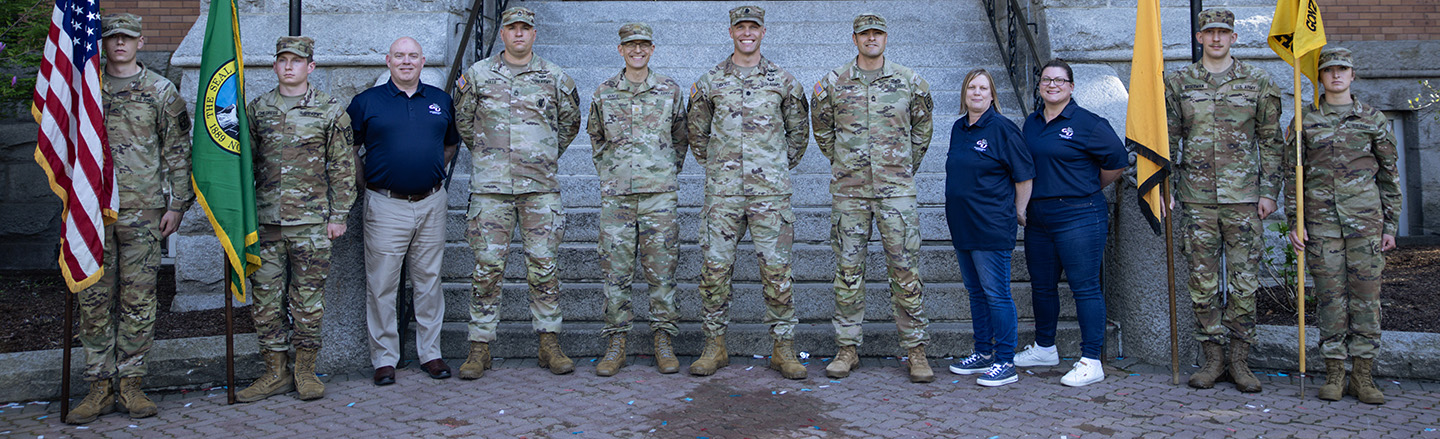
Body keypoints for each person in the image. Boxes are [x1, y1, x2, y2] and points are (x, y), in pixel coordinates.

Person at [66, 13, 193, 425]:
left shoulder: (161, 89)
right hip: (92, 212)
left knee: (139, 301)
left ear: (140, 42)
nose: (120, 43)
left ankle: (131, 383)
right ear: (103, 43)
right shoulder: (85, 89)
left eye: (128, 37)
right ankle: (99, 386)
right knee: (94, 300)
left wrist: (177, 205)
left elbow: (177, 150)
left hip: (144, 211)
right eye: (113, 37)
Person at [454, 6, 582, 377]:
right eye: (513, 28)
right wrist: (489, 156)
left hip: (539, 190)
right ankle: (479, 348)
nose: (519, 34)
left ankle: (549, 344)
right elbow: (464, 123)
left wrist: (541, 156)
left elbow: (569, 124)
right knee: (487, 268)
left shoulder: (555, 77)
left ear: (534, 34)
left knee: (544, 267)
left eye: (525, 28)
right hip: (491, 190)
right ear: (503, 33)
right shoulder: (478, 75)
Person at [1163, 8, 1283, 393]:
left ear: (1233, 37)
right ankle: (1213, 359)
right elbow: (1168, 140)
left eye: (1223, 32)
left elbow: (1271, 142)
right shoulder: (1179, 82)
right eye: (1209, 32)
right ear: (1199, 37)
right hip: (1196, 199)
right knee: (1202, 282)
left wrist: (1269, 192)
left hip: (1244, 199)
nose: (1216, 38)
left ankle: (1240, 361)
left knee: (1245, 283)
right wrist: (1165, 188)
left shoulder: (1258, 81)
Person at [687, 5, 810, 379]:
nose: (746, 33)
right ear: (731, 32)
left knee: (777, 272)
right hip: (723, 195)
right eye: (740, 27)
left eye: (752, 27)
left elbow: (798, 133)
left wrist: (774, 167)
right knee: (714, 271)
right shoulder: (710, 82)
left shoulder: (783, 81)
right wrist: (719, 168)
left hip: (769, 195)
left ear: (763, 32)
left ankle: (783, 348)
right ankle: (715, 346)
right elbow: (697, 134)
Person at [811, 13, 936, 383]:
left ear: (885, 37)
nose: (871, 39)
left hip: (896, 193)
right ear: (854, 39)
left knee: (905, 271)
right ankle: (847, 349)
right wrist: (845, 162)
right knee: (848, 272)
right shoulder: (833, 82)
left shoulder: (910, 81)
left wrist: (901, 165)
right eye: (864, 34)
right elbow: (822, 129)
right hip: (849, 193)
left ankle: (916, 350)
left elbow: (922, 130)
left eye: (877, 33)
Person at [234, 36, 356, 403]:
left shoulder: (330, 111)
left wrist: (339, 215)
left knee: (308, 302)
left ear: (310, 67)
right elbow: (242, 166)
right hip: (265, 225)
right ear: (274, 65)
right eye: (283, 60)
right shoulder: (257, 110)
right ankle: (276, 372)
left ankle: (304, 370)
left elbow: (343, 168)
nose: (289, 66)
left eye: (297, 61)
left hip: (311, 225)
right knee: (265, 303)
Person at [1284, 47, 1400, 405]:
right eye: (1329, 70)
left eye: (1343, 69)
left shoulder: (1373, 119)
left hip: (1365, 223)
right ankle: (1334, 372)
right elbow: (1292, 175)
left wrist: (1391, 225)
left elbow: (1390, 175)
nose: (1336, 75)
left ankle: (1362, 376)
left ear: (1353, 75)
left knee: (1366, 298)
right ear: (1319, 76)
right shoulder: (1305, 120)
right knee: (1330, 298)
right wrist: (1295, 221)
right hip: (1321, 224)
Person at [348, 36, 459, 386]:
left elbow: (450, 145)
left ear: (423, 61)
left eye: (413, 56)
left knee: (429, 280)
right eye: (399, 56)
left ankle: (431, 353)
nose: (406, 61)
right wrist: (369, 184)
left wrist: (427, 173)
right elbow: (350, 149)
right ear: (388, 60)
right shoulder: (366, 102)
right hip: (385, 205)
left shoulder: (441, 101)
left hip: (431, 203)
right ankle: (385, 358)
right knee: (382, 284)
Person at [584, 22, 688, 376]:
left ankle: (663, 339)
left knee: (662, 272)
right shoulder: (604, 92)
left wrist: (665, 171)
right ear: (621, 49)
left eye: (643, 44)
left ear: (652, 49)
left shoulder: (669, 90)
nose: (637, 50)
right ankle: (616, 342)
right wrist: (611, 174)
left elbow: (681, 137)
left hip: (659, 196)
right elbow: (596, 137)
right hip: (618, 199)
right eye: (631, 45)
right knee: (616, 274)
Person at [1017, 59, 1128, 387]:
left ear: (1071, 87)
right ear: (1040, 86)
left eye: (1059, 81)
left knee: (1085, 287)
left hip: (1079, 215)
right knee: (1042, 286)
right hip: (1039, 217)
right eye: (1046, 80)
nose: (1052, 85)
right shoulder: (1032, 123)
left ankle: (1091, 360)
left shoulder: (1089, 123)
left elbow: (1117, 162)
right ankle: (1044, 348)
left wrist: (1086, 187)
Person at [944, 69, 1034, 387]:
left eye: (983, 88)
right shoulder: (958, 128)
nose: (977, 92)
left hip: (991, 226)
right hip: (962, 225)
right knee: (976, 293)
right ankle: (983, 352)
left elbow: (1024, 176)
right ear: (964, 93)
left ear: (992, 95)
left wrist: (1019, 210)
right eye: (972, 87)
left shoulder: (1002, 129)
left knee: (997, 294)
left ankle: (1005, 360)